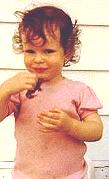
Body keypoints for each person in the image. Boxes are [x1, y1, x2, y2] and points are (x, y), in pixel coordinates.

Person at [0, 5, 103, 179]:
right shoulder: (20, 89)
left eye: (48, 51)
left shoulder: (79, 91)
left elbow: (96, 130)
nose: (38, 59)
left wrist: (70, 125)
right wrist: (4, 90)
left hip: (72, 175)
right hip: (27, 175)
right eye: (30, 51)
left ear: (67, 53)